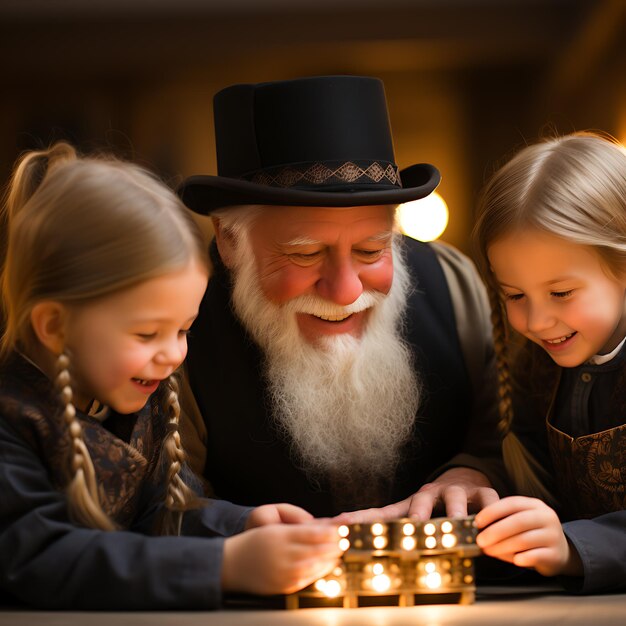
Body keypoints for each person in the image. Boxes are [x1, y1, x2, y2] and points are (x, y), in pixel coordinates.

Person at [0, 143, 341, 609]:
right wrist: (224, 564)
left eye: (183, 330)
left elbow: (160, 514)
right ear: (55, 325)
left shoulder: (139, 399)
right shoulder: (12, 418)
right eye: (146, 333)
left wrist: (244, 525)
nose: (172, 356)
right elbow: (39, 557)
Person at [178, 75, 505, 521]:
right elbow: (163, 505)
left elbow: (504, 434)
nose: (347, 290)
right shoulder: (179, 324)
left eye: (372, 250)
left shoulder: (454, 284)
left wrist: (474, 472)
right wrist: (242, 532)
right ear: (230, 240)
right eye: (305, 253)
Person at [471, 131, 626, 594]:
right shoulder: (533, 365)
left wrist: (575, 547)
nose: (537, 321)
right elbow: (524, 454)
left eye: (561, 293)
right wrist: (472, 472)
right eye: (515, 296)